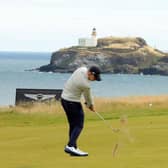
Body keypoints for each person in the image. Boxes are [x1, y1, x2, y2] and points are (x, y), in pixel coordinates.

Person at [61, 66, 101, 156]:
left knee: (73, 124)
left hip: (64, 100)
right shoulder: (85, 85)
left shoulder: (81, 69)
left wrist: (88, 104)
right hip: (72, 103)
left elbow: (86, 98)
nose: (94, 80)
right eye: (94, 78)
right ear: (90, 74)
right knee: (79, 125)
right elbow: (88, 97)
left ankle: (73, 148)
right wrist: (91, 105)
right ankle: (70, 146)